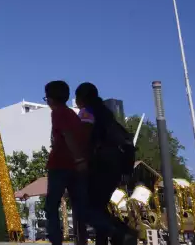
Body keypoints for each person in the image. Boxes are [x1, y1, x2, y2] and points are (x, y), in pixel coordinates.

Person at [75, 82, 136, 245]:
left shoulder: (87, 113)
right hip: (116, 167)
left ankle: (119, 232)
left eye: (77, 97)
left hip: (100, 166)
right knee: (100, 207)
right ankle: (113, 235)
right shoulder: (106, 114)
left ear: (82, 98)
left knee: (87, 209)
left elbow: (84, 138)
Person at [43, 81, 90, 245]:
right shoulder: (72, 113)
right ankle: (81, 240)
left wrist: (77, 158)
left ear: (51, 99)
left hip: (60, 165)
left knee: (51, 206)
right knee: (78, 207)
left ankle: (56, 241)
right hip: (75, 167)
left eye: (46, 98)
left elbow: (67, 134)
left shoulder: (57, 113)